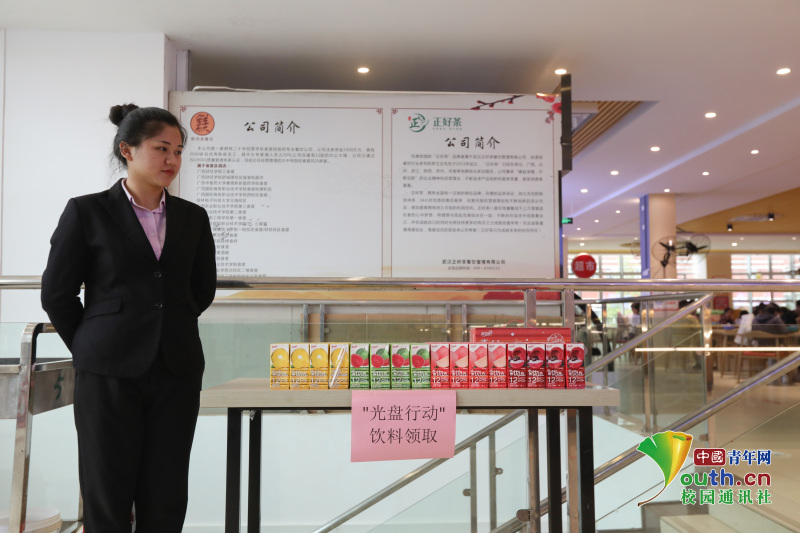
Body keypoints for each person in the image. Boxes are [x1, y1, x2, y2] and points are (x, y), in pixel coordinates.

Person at [40, 104, 217, 532]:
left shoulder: (192, 217)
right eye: (161, 148)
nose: (172, 160)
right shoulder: (87, 212)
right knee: (107, 489)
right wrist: (91, 344)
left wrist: (164, 327)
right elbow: (57, 293)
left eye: (178, 151)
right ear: (127, 150)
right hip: (107, 372)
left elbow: (201, 289)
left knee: (167, 490)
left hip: (176, 369)